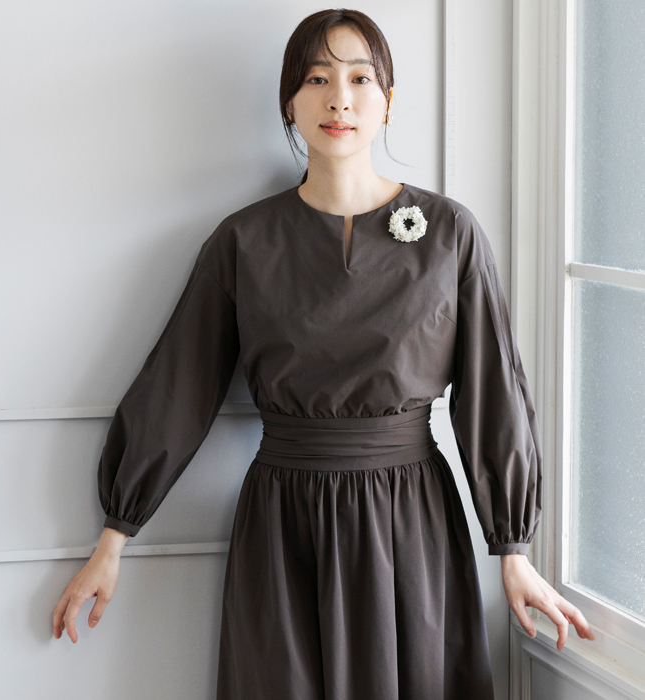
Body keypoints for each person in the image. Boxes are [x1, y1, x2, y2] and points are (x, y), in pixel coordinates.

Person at [52, 8, 595, 698]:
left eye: (361, 79)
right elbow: (178, 387)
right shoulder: (243, 242)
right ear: (290, 101)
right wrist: (113, 538)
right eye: (316, 79)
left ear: (388, 101)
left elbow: (494, 392)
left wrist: (513, 550)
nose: (340, 99)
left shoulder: (449, 234)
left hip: (412, 522)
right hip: (286, 524)